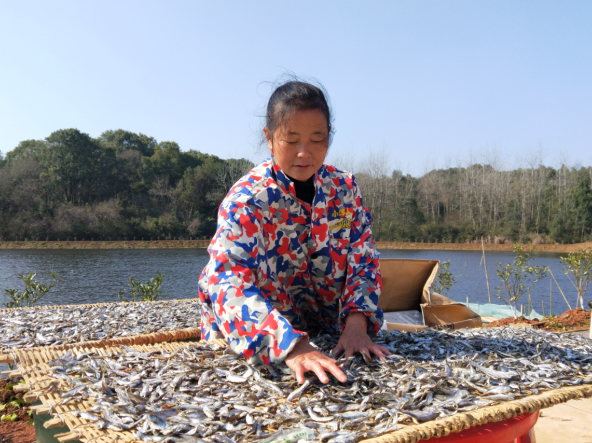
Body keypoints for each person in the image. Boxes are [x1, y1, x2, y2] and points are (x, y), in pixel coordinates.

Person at [198, 79, 390, 384]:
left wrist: (356, 325)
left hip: (323, 328)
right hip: (258, 334)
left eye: (318, 139)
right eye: (291, 140)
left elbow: (362, 259)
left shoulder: (344, 190)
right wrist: (291, 347)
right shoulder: (247, 201)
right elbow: (226, 282)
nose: (305, 153)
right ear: (270, 138)